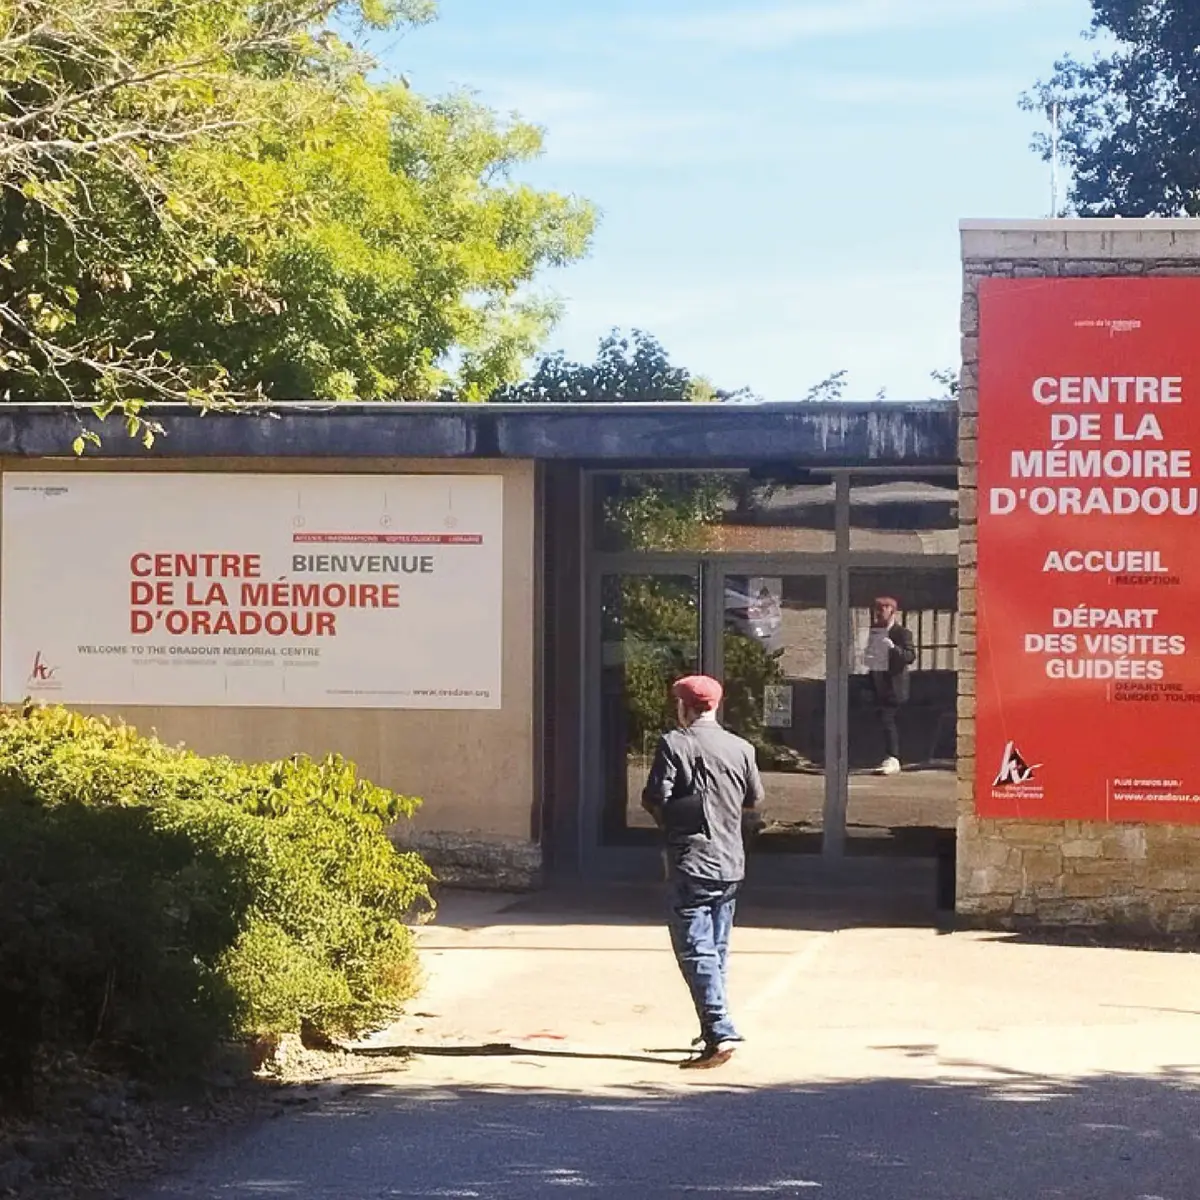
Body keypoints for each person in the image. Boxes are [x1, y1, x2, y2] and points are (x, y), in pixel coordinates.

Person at [642, 674, 765, 1069]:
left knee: (695, 950)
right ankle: (713, 1025)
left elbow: (656, 797)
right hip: (731, 862)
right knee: (716, 950)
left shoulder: (675, 743)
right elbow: (754, 800)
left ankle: (720, 1031)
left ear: (685, 707)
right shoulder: (742, 747)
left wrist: (675, 817)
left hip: (692, 861)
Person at [863, 596, 916, 776]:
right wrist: (868, 657)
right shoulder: (875, 632)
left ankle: (893, 757)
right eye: (877, 610)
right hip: (878, 683)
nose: (879, 613)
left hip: (895, 685)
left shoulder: (902, 633)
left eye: (882, 609)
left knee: (888, 719)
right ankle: (890, 755)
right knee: (884, 721)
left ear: (892, 611)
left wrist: (893, 648)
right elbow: (869, 656)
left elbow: (910, 656)